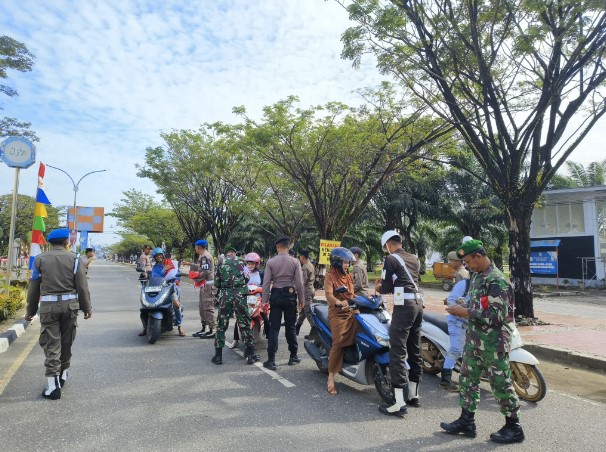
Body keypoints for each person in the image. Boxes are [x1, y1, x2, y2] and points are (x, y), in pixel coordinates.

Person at [440, 239, 525, 444]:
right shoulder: (478, 276)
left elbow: (496, 315)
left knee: (500, 384)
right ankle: (466, 422)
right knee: (467, 379)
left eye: (469, 261)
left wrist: (465, 311)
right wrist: (462, 304)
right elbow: (478, 302)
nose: (467, 265)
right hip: (475, 339)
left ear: (479, 256)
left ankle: (514, 427)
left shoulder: (497, 281)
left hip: (493, 343)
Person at [25, 228, 92, 400]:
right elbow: (82, 286)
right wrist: (87, 308)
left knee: (51, 345)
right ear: (66, 242)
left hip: (48, 307)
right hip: (70, 306)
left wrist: (30, 311)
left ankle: (53, 387)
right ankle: (62, 374)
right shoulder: (75, 259)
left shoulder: (40, 259)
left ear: (50, 243)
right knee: (66, 341)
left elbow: (34, 288)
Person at [375, 230, 423, 417]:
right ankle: (414, 394)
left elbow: (386, 287)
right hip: (419, 305)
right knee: (414, 348)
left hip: (405, 306)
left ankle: (398, 402)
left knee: (397, 349)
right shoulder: (414, 258)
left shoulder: (391, 259)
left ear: (388, 244)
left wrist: (379, 286)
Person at [261, 236, 305, 370]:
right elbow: (299, 283)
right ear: (288, 247)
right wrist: (301, 299)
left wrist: (264, 301)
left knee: (274, 328)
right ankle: (293, 356)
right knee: (290, 327)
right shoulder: (295, 261)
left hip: (275, 295)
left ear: (277, 247)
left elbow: (266, 283)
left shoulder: (270, 262)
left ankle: (271, 360)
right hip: (290, 296)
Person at [212, 246, 258, 365]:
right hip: (240, 295)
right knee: (245, 323)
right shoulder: (242, 261)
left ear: (226, 254)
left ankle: (218, 356)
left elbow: (216, 282)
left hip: (225, 295)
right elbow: (247, 278)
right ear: (234, 253)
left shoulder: (221, 262)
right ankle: (251, 354)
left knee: (222, 324)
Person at [324, 247, 358, 395]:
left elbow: (352, 294)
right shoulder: (330, 276)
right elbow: (328, 295)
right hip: (337, 313)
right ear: (337, 262)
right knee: (338, 342)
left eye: (348, 263)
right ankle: (331, 377)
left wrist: (367, 299)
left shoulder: (348, 276)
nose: (347, 265)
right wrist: (338, 302)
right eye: (344, 262)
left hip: (350, 311)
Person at [229, 252, 269, 348]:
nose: (250, 265)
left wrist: (263, 290)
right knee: (239, 319)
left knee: (265, 317)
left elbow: (266, 285)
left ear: (257, 264)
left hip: (258, 300)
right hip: (245, 299)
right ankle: (235, 339)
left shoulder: (261, 274)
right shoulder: (243, 273)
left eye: (252, 264)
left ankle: (270, 336)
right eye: (249, 263)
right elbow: (237, 284)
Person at [142, 248, 184, 337]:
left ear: (163, 254)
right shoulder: (156, 267)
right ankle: (146, 327)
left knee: (176, 304)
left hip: (169, 288)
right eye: (157, 256)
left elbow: (177, 273)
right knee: (147, 304)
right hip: (158, 288)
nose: (159, 257)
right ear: (155, 257)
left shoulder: (170, 263)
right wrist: (163, 270)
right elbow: (155, 277)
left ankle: (180, 326)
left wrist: (176, 281)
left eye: (160, 255)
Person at [439, 276, 471, 390]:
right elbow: (451, 301)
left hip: (472, 323)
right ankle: (445, 380)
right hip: (457, 322)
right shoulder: (464, 284)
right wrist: (461, 311)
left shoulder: (484, 286)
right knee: (456, 350)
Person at [190, 240, 215, 338]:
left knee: (208, 307)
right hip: (204, 285)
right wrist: (190, 264)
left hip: (208, 286)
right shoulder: (204, 256)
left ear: (198, 247)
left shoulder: (205, 256)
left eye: (195, 247)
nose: (195, 249)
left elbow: (205, 271)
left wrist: (196, 278)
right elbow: (201, 267)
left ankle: (212, 329)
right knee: (202, 307)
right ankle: (204, 328)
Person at [295, 249, 316, 337]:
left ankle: (315, 331)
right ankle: (297, 329)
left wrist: (295, 289)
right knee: (304, 311)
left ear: (302, 257)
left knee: (308, 311)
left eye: (300, 256)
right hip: (310, 289)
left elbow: (302, 281)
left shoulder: (305, 267)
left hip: (306, 290)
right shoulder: (310, 265)